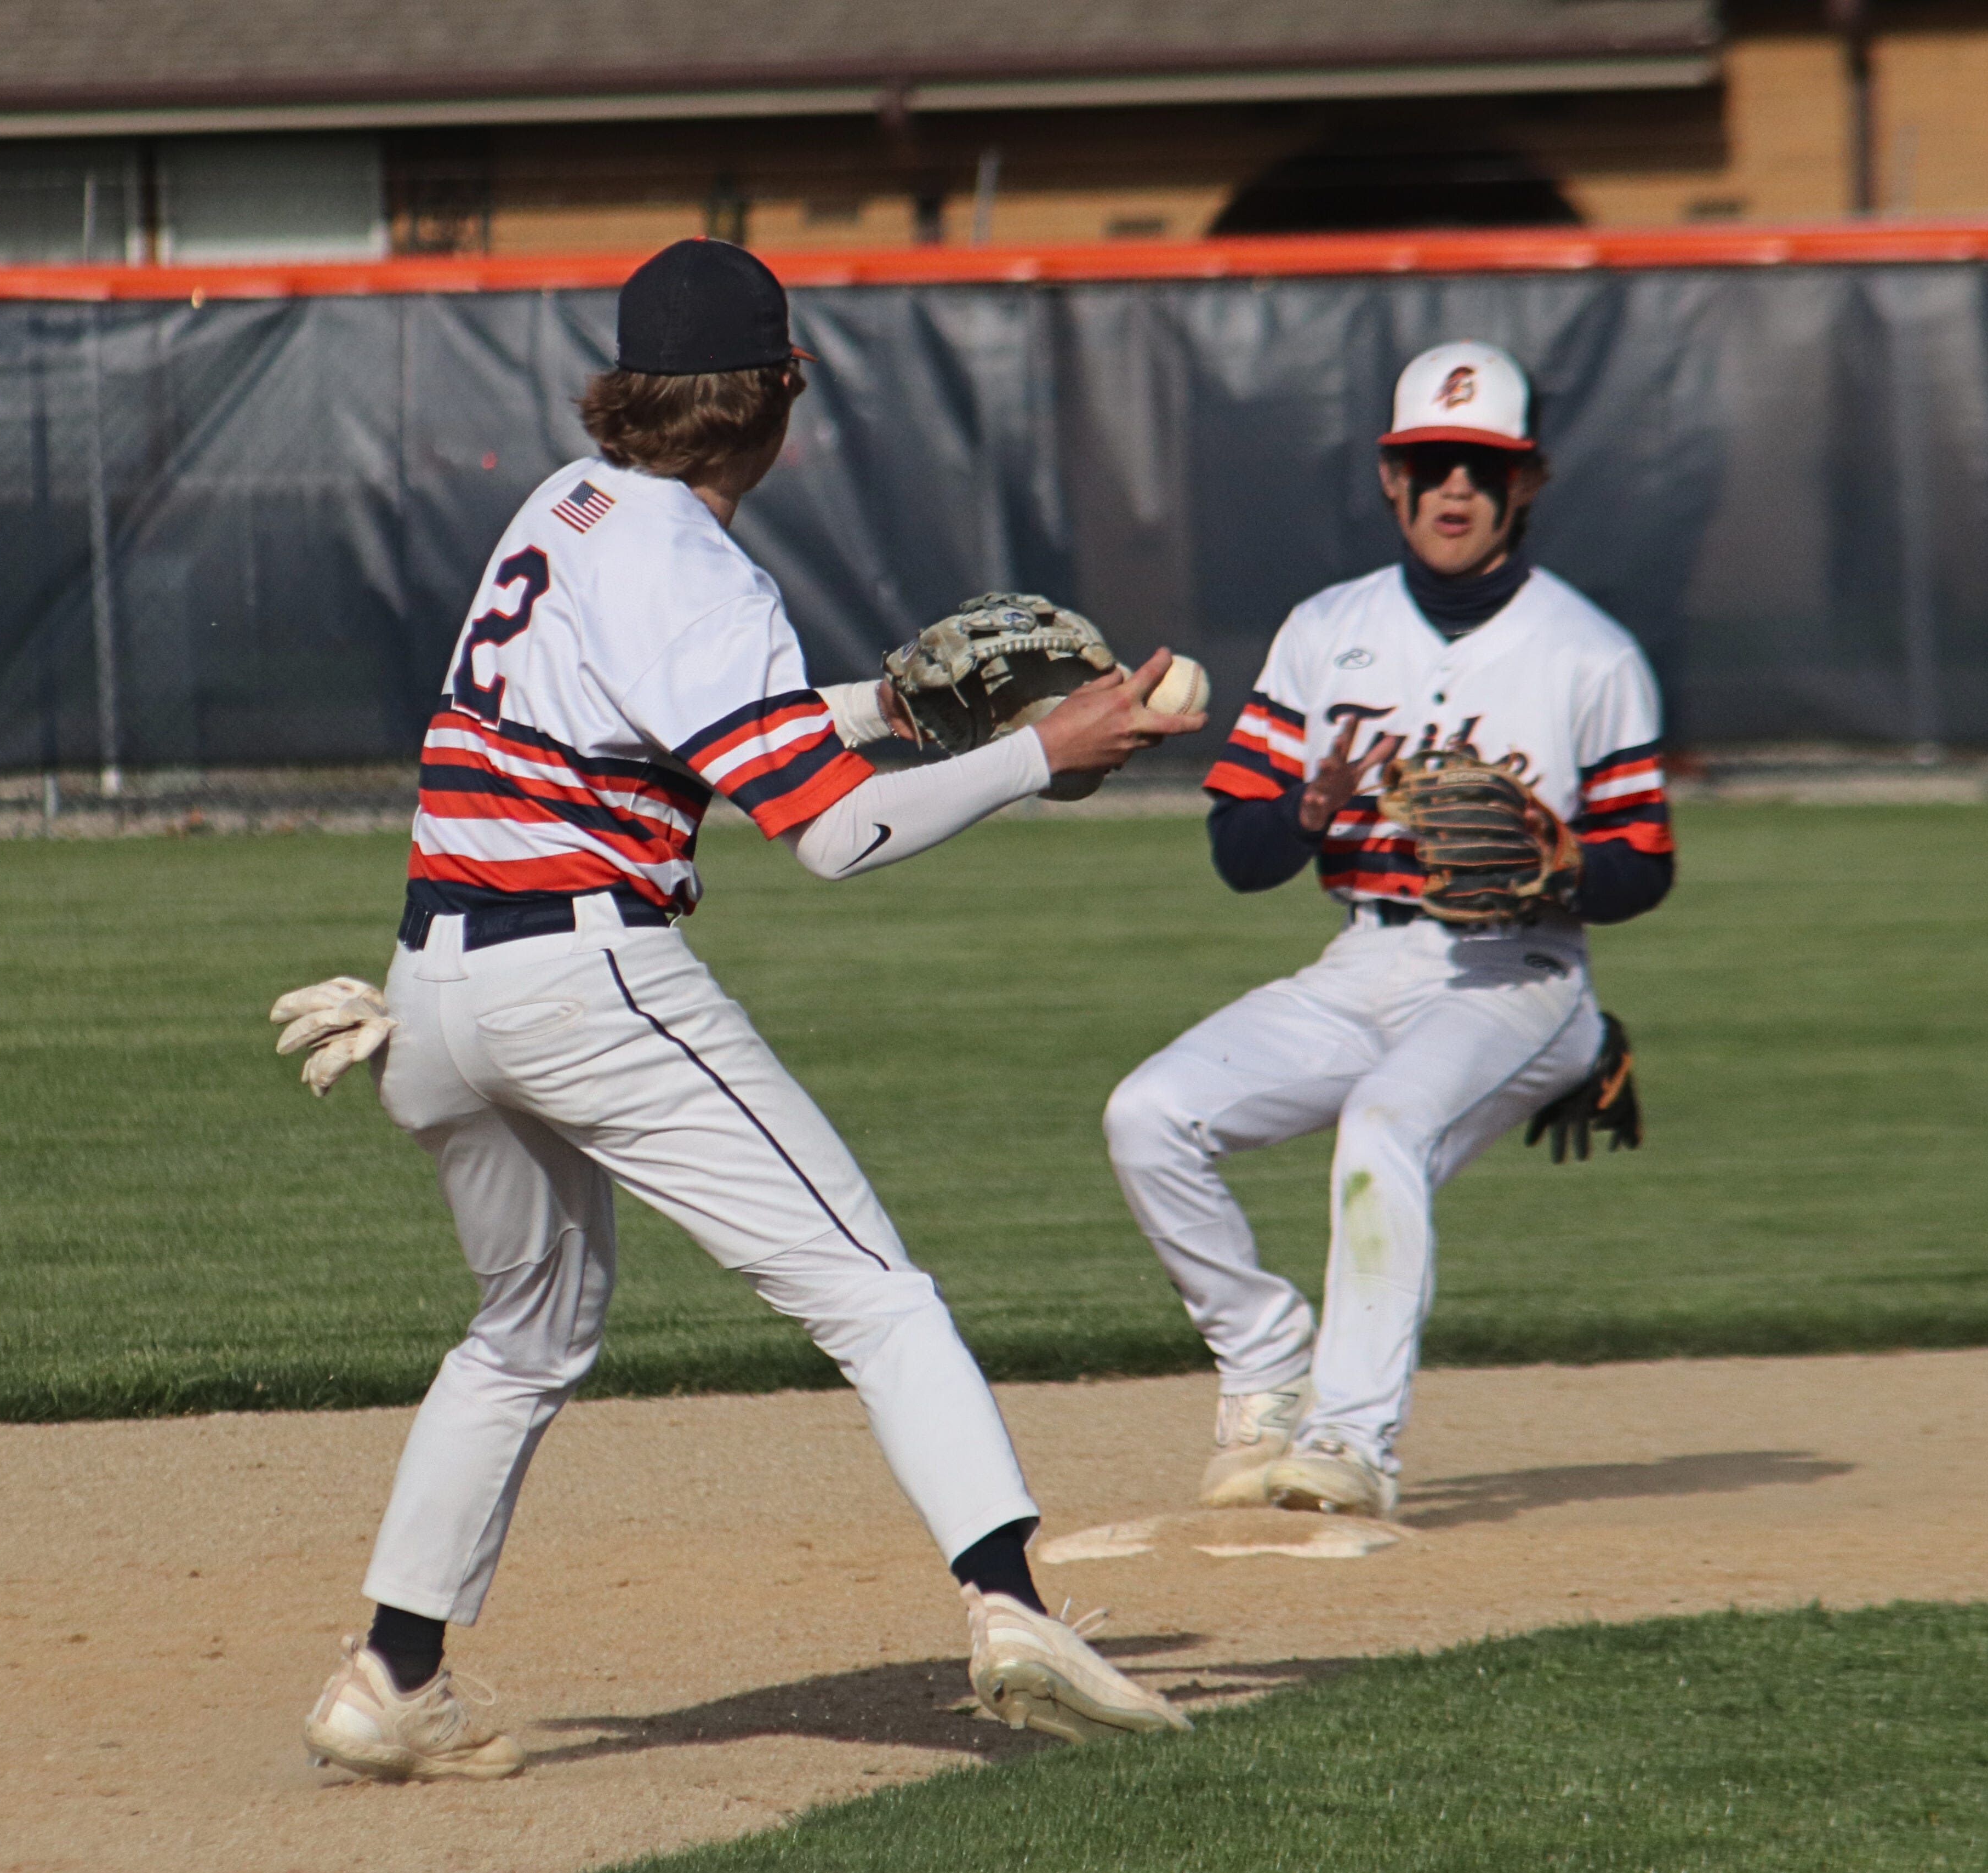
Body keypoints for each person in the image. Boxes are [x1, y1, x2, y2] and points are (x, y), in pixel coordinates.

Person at [295, 238, 1203, 1780]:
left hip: (430, 986)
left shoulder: (563, 507)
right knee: (873, 1290)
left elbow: (671, 723)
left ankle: (390, 1676)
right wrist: (1041, 758)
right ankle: (1007, 1606)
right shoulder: (707, 570)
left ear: (632, 394)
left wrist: (887, 707)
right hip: (580, 979)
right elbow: (836, 833)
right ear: (777, 398)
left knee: (523, 1333)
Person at [1103, 341, 1674, 1521]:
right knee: (1150, 1114)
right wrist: (1309, 808)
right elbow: (1239, 855)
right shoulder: (1327, 631)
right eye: (1431, 464)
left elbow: (1644, 866)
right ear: (1389, 478)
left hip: (1521, 975)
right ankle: (1265, 1364)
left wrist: (1566, 865)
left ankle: (1352, 1442)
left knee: (1383, 1127)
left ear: (1526, 482)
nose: (1454, 488)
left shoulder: (1589, 654)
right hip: (1363, 958)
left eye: (1481, 465)